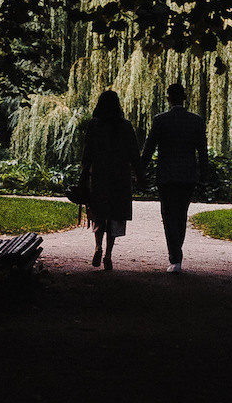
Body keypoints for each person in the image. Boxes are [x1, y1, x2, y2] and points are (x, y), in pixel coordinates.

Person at [142, 81, 208, 271]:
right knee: (181, 214)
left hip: (167, 175)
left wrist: (140, 170)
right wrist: (204, 176)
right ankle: (176, 254)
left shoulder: (160, 120)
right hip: (188, 175)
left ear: (168, 97)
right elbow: (202, 152)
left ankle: (175, 258)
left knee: (169, 215)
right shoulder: (196, 121)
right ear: (184, 98)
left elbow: (149, 148)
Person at [78, 89, 138, 271]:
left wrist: (84, 173)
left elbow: (88, 152)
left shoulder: (94, 126)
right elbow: (134, 152)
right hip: (119, 175)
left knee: (99, 212)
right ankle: (109, 255)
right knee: (114, 214)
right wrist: (140, 174)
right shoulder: (125, 126)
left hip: (100, 174)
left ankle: (97, 247)